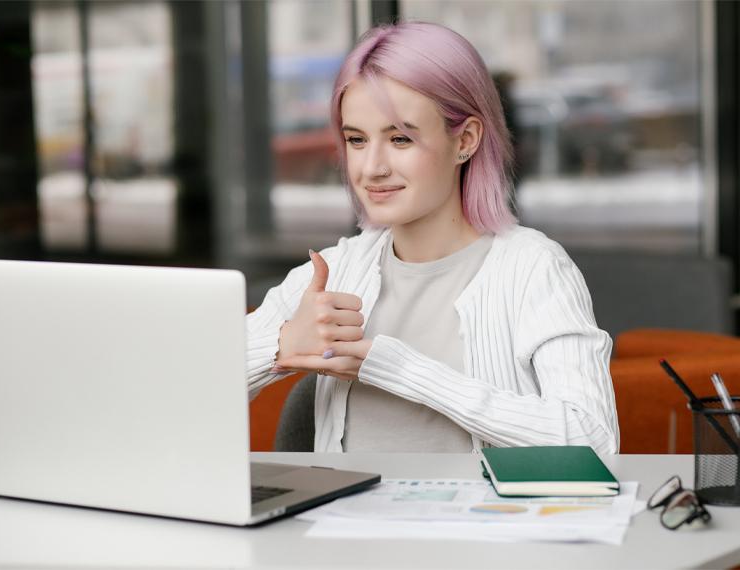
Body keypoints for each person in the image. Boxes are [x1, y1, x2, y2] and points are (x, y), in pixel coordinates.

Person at [246, 21, 619, 455]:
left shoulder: (533, 268)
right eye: (357, 140)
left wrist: (400, 369)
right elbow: (186, 386)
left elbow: (594, 440)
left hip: (482, 504)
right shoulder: (336, 271)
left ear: (466, 140)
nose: (372, 168)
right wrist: (281, 346)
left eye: (400, 139)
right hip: (352, 504)